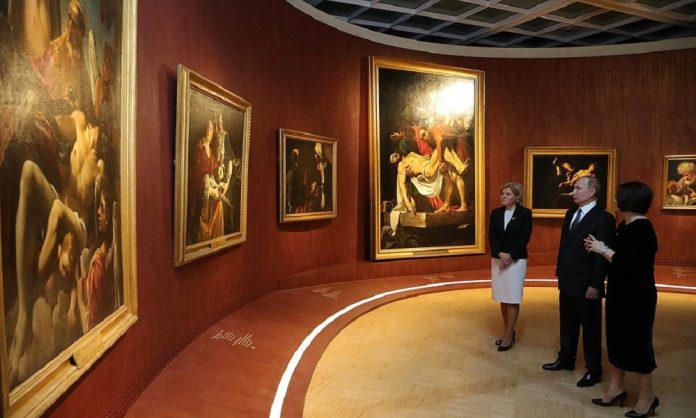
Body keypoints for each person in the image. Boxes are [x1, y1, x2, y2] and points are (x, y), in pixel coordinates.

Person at [584, 181, 660, 417]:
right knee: (617, 341)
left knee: (638, 345)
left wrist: (602, 249)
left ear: (629, 201)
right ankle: (615, 389)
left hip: (637, 297)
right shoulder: (625, 225)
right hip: (620, 293)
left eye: (618, 197)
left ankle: (647, 399)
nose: (614, 200)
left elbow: (629, 264)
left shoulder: (642, 229)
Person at [542, 176, 615, 388]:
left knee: (591, 328)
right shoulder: (570, 213)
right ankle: (566, 359)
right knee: (567, 323)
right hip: (567, 279)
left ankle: (594, 370)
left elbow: (602, 256)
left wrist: (595, 284)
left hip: (586, 283)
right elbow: (565, 245)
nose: (573, 192)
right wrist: (560, 272)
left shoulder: (604, 218)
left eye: (577, 188)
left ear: (591, 192)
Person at [488, 182, 532, 351]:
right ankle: (508, 330)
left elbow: (524, 238)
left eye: (507, 194)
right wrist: (500, 253)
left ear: (517, 197)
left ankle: (507, 335)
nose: (503, 196)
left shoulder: (525, 214)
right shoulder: (496, 213)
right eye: (502, 193)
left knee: (512, 297)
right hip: (498, 259)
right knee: (502, 296)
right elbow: (492, 236)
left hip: (516, 260)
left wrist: (510, 255)